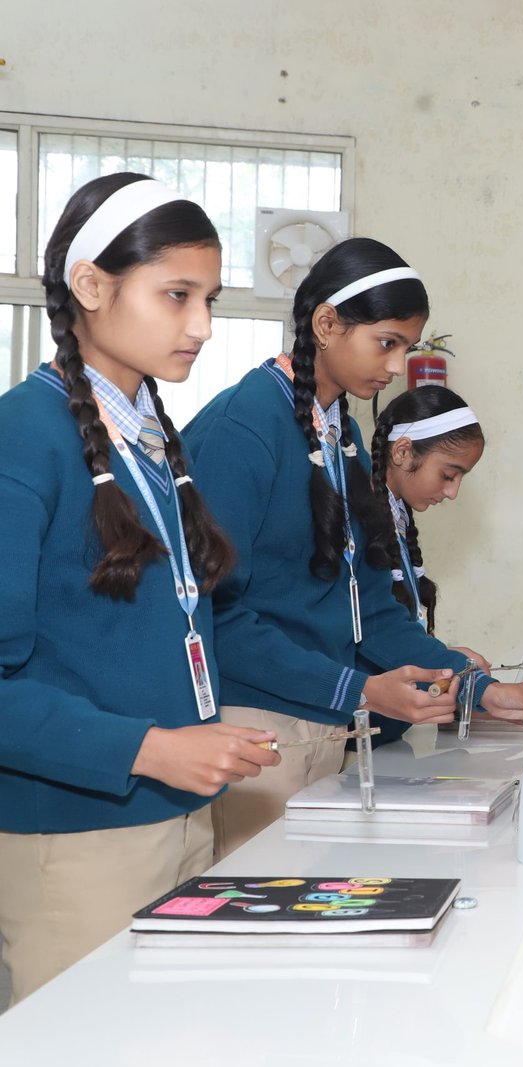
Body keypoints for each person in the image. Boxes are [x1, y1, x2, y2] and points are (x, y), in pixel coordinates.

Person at [0, 174, 280, 1003]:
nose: (202, 325)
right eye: (177, 295)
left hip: (179, 816)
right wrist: (148, 747)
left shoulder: (147, 441)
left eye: (210, 299)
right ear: (91, 286)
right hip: (77, 841)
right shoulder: (25, 439)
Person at [184, 238, 523, 857]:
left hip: (322, 723)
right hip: (257, 726)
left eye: (407, 347)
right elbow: (215, 614)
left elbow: (372, 610)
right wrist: (355, 690)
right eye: (387, 343)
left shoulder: (341, 435)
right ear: (327, 324)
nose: (397, 366)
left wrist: (481, 689)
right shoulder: (244, 428)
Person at [362, 384, 490, 747]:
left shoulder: (396, 516)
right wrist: (483, 689)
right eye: (448, 475)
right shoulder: (361, 519)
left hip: (388, 734)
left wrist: (444, 658)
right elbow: (368, 631)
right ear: (403, 452)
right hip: (355, 734)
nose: (453, 492)